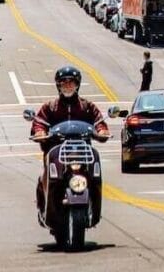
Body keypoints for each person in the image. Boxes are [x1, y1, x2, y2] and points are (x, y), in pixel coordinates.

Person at [30, 67, 109, 217]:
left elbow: (99, 121)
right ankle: (48, 208)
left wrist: (102, 130)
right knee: (50, 173)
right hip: (57, 150)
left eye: (71, 83)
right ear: (58, 85)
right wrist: (40, 131)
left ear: (77, 85)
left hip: (82, 150)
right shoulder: (50, 107)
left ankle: (94, 205)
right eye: (64, 83)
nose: (68, 86)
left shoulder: (87, 106)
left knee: (95, 170)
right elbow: (39, 122)